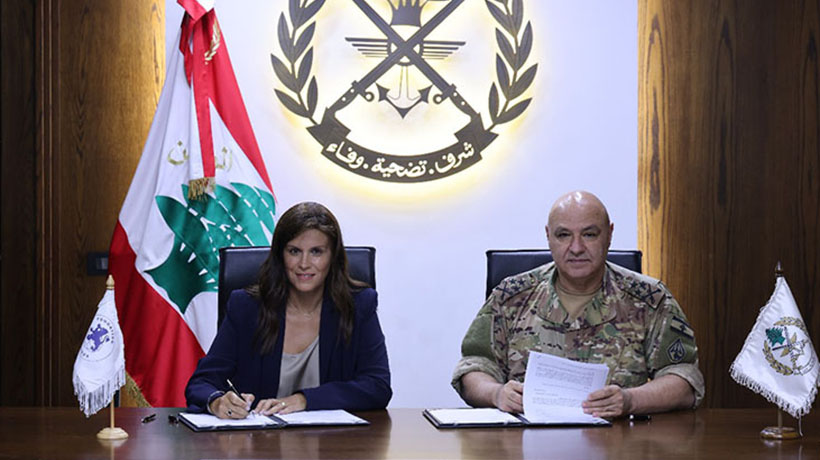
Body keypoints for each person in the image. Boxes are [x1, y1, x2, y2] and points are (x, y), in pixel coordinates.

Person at [452, 191, 704, 418]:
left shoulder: (650, 298)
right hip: (526, 443)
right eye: (564, 235)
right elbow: (473, 368)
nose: (576, 248)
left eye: (589, 234)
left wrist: (630, 400)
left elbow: (684, 379)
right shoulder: (512, 296)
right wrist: (497, 394)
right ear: (549, 236)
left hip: (620, 444)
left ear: (609, 234)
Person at [186, 202, 391, 418]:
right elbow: (201, 383)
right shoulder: (246, 307)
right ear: (280, 255)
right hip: (261, 444)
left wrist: (303, 400)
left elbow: (377, 386)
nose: (304, 263)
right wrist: (217, 401)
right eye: (294, 251)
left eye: (316, 252)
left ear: (333, 257)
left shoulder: (358, 306)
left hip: (335, 444)